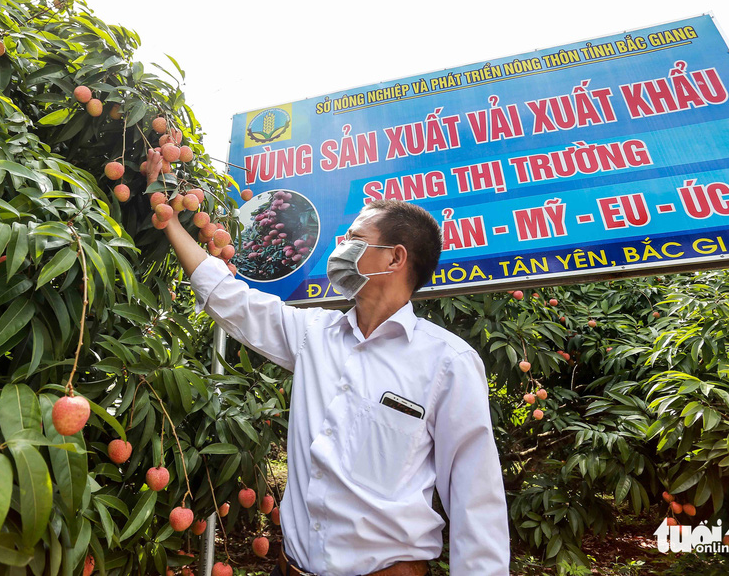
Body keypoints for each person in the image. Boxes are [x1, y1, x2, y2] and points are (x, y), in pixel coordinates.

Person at [144, 149, 510, 576]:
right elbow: (230, 298)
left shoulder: (447, 362)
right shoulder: (313, 334)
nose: (342, 246)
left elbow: (475, 496)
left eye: (355, 239)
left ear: (395, 258)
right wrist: (169, 218)